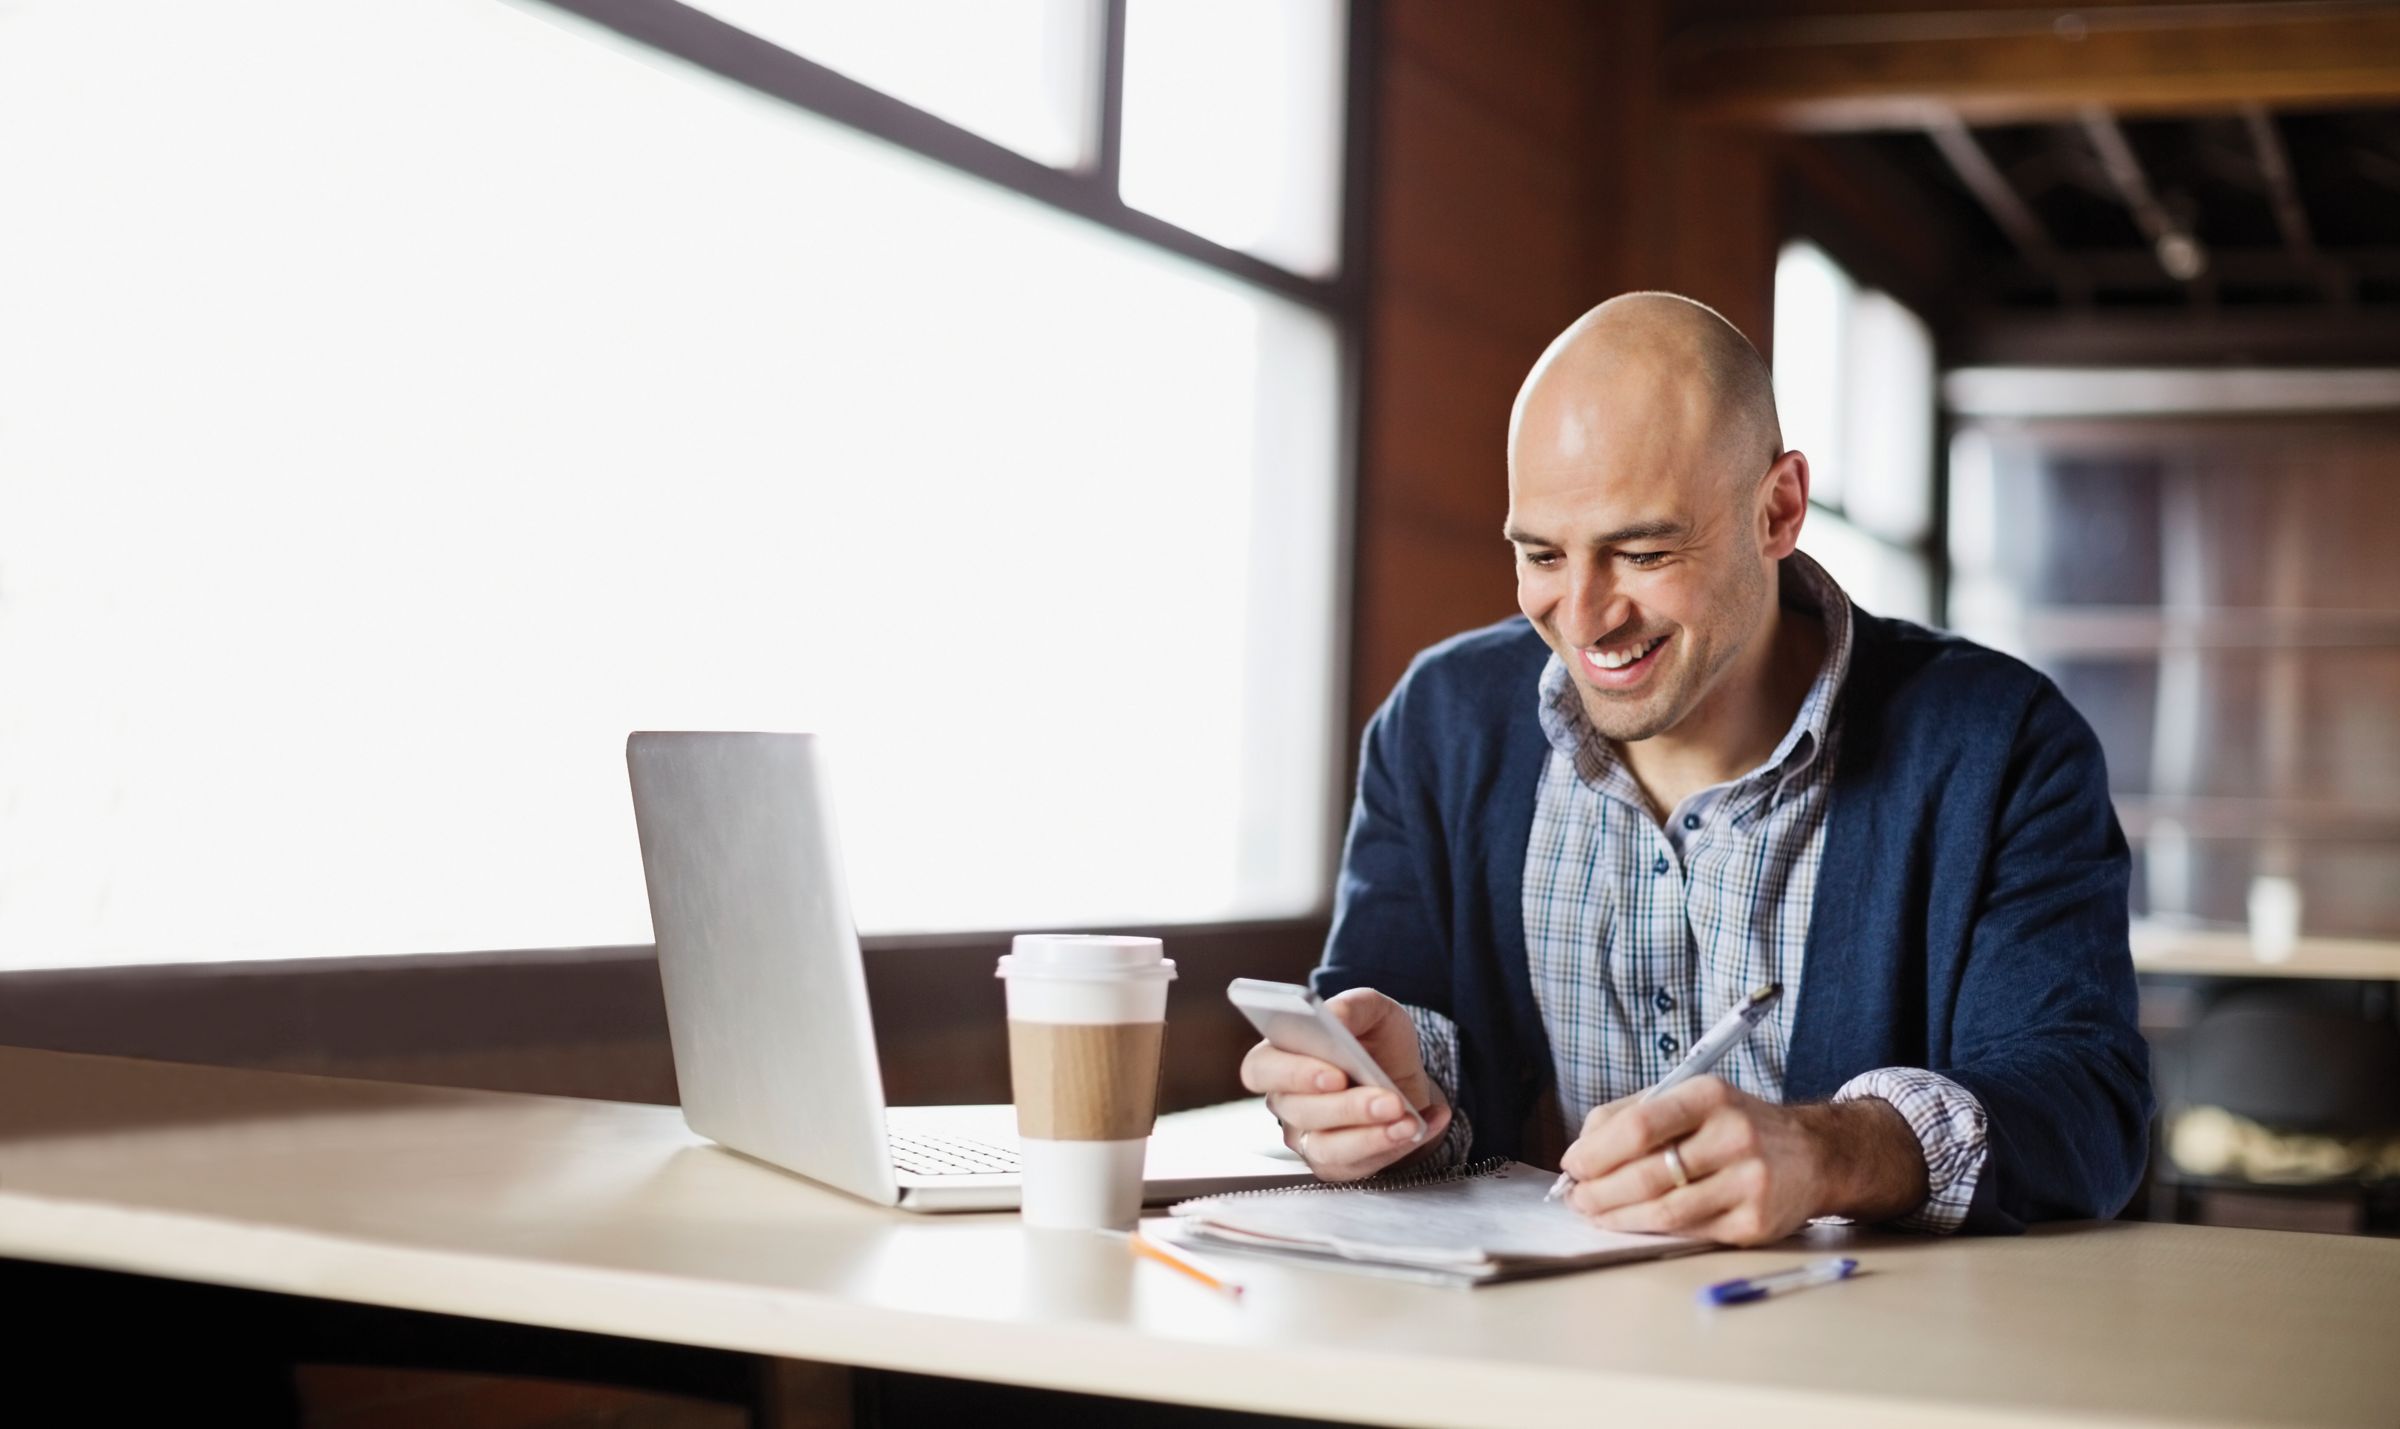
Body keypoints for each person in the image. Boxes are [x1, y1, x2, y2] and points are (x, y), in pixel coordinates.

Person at [1241, 292, 2151, 1240]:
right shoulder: (1438, 725)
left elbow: (2087, 1105)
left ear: (1778, 508)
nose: (1585, 617)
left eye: (1642, 550)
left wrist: (1826, 1151)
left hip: (1857, 1365)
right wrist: (1372, 1098)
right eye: (1542, 553)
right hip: (1499, 1357)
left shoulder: (2002, 745)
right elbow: (1394, 1045)